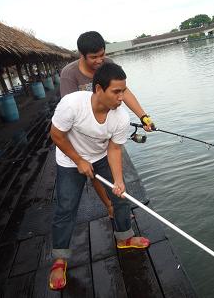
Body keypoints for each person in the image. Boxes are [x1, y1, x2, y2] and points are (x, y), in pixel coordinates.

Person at [49, 63, 150, 290]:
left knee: (120, 196)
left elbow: (114, 150)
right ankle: (59, 259)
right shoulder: (72, 105)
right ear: (98, 90)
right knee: (66, 207)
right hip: (69, 159)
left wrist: (119, 180)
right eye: (116, 92)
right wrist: (79, 161)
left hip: (101, 155)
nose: (122, 97)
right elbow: (56, 135)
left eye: (123, 91)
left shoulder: (121, 118)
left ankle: (124, 237)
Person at [60, 31, 155, 219]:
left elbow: (125, 92)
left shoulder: (109, 64)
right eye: (94, 57)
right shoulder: (69, 74)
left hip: (109, 128)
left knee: (115, 170)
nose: (99, 60)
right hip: (84, 133)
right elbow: (68, 109)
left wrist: (143, 116)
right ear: (82, 55)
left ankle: (120, 210)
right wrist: (79, 157)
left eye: (102, 55)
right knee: (94, 173)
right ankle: (109, 206)